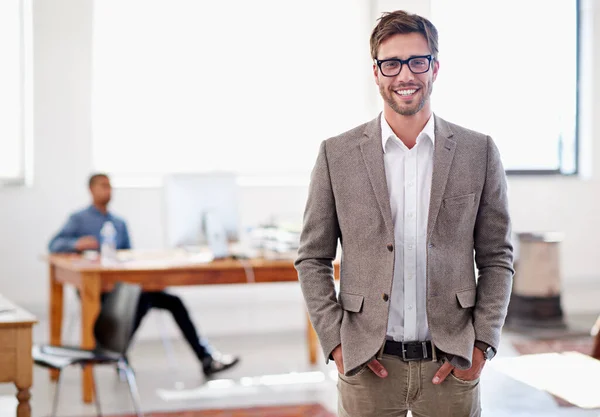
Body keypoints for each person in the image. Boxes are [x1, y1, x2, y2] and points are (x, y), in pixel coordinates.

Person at [295, 10, 513, 417]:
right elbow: (313, 257)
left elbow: (498, 257)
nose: (405, 75)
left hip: (452, 364)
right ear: (375, 72)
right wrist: (338, 344)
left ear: (435, 67)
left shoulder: (478, 151)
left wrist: (482, 344)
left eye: (418, 61)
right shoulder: (336, 155)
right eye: (391, 63)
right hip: (367, 365)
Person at [49, 173, 240, 377]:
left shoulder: (118, 223)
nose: (108, 190)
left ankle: (205, 359)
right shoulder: (78, 219)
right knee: (141, 302)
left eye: (110, 186)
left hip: (123, 287)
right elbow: (54, 245)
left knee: (172, 301)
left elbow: (129, 256)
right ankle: (116, 353)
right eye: (103, 186)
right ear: (91, 189)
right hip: (97, 288)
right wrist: (76, 244)